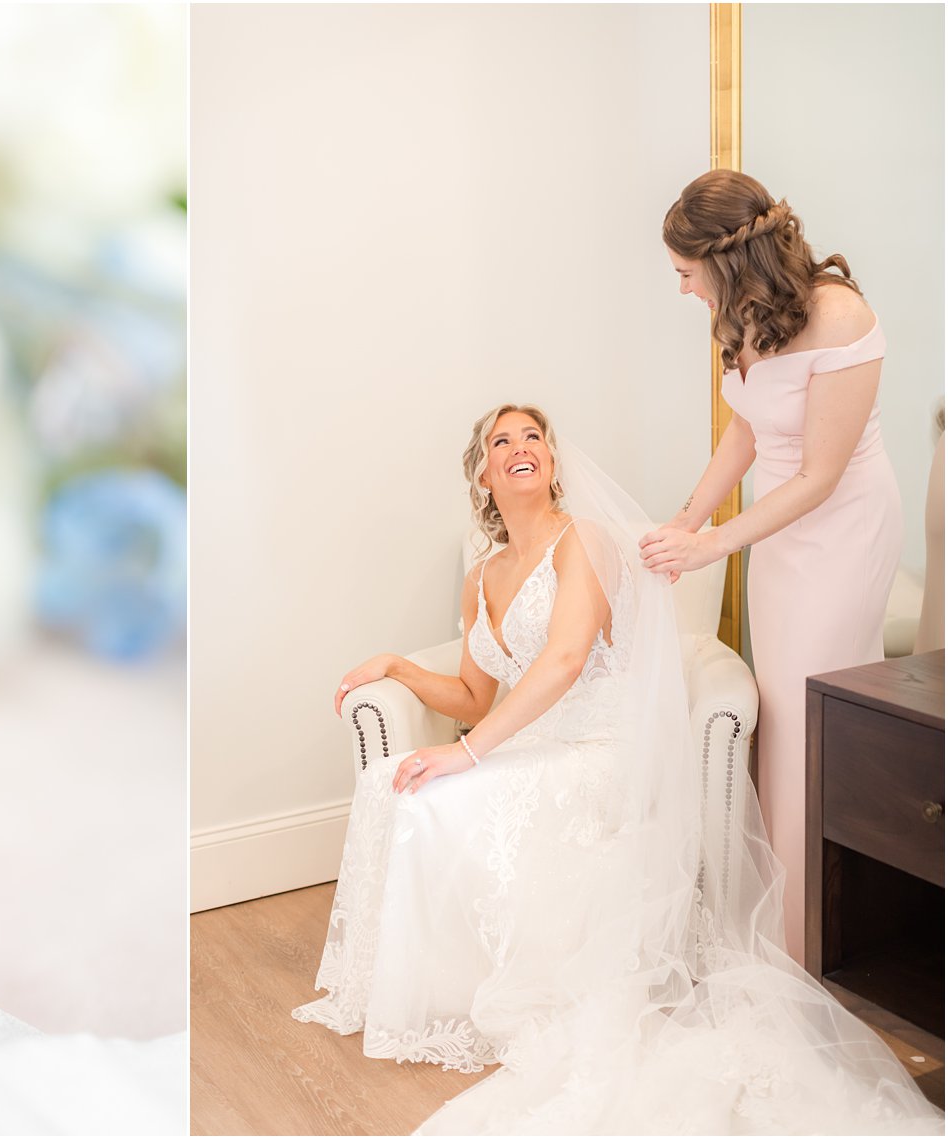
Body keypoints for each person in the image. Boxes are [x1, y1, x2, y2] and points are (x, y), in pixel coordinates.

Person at [295, 403, 939, 1133]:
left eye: (532, 435)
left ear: (553, 460)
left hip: (602, 749)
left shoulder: (586, 542)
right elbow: (475, 693)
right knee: (396, 783)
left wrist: (468, 751)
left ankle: (466, 993)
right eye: (501, 441)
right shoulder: (481, 576)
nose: (520, 447)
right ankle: (436, 991)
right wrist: (398, 666)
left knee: (439, 790)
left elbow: (567, 661)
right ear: (483, 474)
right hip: (534, 742)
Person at [639, 170, 900, 959]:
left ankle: (830, 933)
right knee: (780, 716)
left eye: (686, 273)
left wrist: (716, 544)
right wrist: (688, 517)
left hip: (843, 528)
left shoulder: (840, 313)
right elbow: (746, 432)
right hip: (778, 531)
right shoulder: (737, 316)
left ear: (724, 259)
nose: (682, 289)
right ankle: (793, 927)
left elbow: (819, 474)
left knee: (820, 716)